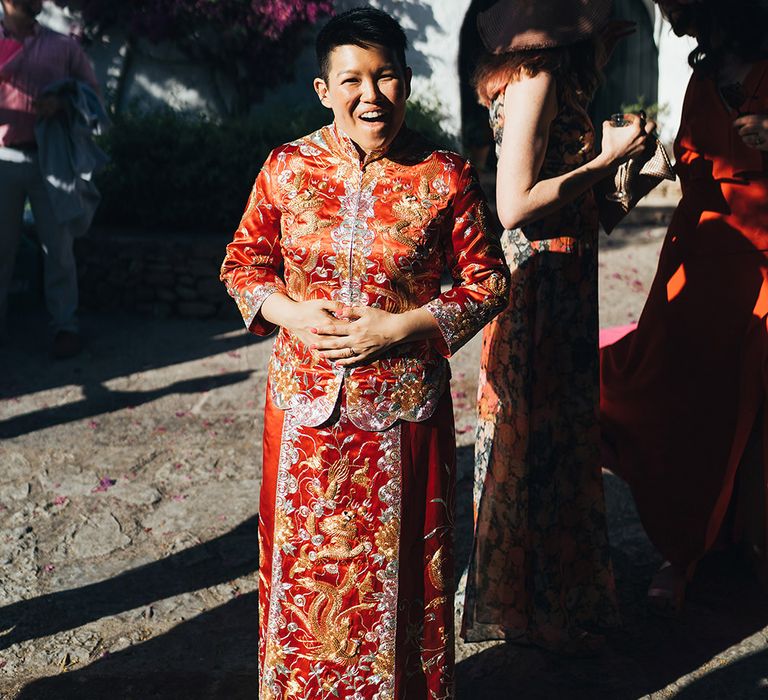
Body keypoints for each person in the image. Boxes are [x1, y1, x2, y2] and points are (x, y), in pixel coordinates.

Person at [220, 8, 509, 698]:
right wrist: (289, 311)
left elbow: (488, 281)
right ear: (324, 90)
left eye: (385, 78)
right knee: (303, 571)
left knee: (401, 572)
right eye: (352, 80)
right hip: (303, 416)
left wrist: (400, 326)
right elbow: (241, 264)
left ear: (407, 83)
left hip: (403, 412)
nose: (370, 95)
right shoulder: (286, 169)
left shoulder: (445, 176)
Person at [460, 0, 655, 653]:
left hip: (568, 277)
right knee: (531, 441)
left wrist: (634, 165)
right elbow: (514, 206)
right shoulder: (537, 80)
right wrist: (604, 159)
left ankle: (549, 596)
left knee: (560, 438)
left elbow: (595, 213)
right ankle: (526, 604)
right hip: (536, 281)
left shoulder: (564, 78)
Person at [601, 0, 768, 615]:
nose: (670, 20)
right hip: (695, 256)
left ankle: (749, 545)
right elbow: (689, 160)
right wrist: (642, 169)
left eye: (678, 4)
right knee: (682, 399)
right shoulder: (702, 73)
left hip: (761, 259)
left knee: (753, 407)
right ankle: (686, 548)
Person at [0, 0, 99, 358]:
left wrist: (63, 104)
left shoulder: (63, 46)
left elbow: (92, 96)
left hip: (52, 160)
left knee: (58, 248)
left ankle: (64, 327)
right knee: (1, 249)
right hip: (2, 159)